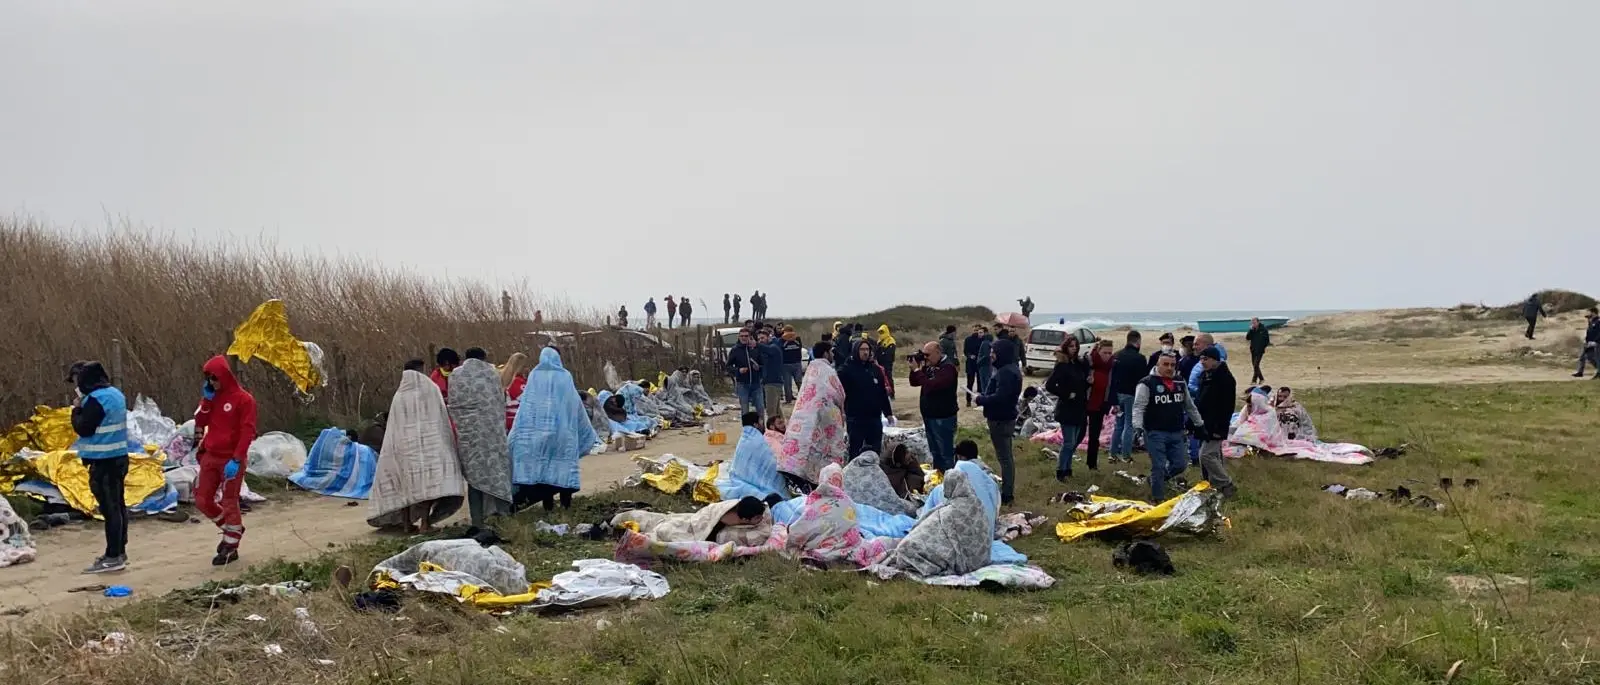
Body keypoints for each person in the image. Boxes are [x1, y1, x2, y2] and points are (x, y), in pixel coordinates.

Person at [508, 347, 599, 511]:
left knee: (544, 472)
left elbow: (527, 406)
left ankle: (548, 507)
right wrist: (584, 427)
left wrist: (518, 432)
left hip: (538, 435)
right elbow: (574, 403)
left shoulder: (534, 376)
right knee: (563, 468)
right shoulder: (565, 376)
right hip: (563, 435)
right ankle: (565, 506)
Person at [70, 361, 137, 574]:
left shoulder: (95, 400)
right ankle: (120, 551)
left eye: (77, 381)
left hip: (103, 461)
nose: (76, 386)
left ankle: (112, 556)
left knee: (110, 510)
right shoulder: (116, 394)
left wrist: (76, 410)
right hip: (118, 457)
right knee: (118, 506)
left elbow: (84, 428)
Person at [194, 356, 258, 565]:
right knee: (202, 499)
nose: (211, 382)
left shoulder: (244, 400)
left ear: (224, 376)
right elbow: (200, 421)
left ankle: (231, 546)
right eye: (208, 379)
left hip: (231, 458)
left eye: (214, 378)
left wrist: (237, 458)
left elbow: (247, 431)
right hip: (211, 455)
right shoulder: (212, 398)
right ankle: (232, 530)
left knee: (229, 501)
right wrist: (206, 401)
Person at [450, 349, 515, 525]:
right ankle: (504, 515)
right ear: (484, 358)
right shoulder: (492, 373)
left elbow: (454, 404)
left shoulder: (455, 375)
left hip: (468, 437)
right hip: (492, 435)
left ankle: (477, 519)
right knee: (498, 473)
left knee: (474, 478)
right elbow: (499, 400)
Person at [1131, 353, 1205, 502]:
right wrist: (1137, 427)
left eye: (1172, 365)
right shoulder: (1146, 383)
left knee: (1180, 464)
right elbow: (1138, 407)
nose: (1170, 368)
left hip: (1177, 431)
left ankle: (1155, 480)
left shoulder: (1180, 381)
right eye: (1166, 364)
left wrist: (1199, 423)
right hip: (1155, 432)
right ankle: (1158, 498)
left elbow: (1189, 406)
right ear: (1158, 365)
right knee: (1158, 465)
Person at [776, 342, 850, 488]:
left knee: (807, 445)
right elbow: (838, 393)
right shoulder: (827, 370)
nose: (833, 355)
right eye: (831, 352)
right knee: (823, 447)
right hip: (823, 417)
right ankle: (821, 480)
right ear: (825, 353)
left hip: (806, 415)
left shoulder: (811, 369)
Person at [975, 338, 1023, 504]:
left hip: (1001, 419)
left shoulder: (1006, 372)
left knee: (1005, 458)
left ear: (1001, 353)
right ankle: (1007, 491)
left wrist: (981, 400)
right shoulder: (1010, 369)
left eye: (993, 352)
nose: (991, 355)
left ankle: (1007, 494)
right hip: (1005, 417)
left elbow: (1001, 397)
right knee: (1005, 456)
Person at [1193, 347, 1238, 498]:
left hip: (1216, 424)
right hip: (1203, 422)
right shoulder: (1205, 376)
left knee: (1206, 455)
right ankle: (1209, 484)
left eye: (1205, 359)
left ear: (1215, 360)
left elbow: (1227, 406)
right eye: (1201, 359)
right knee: (1213, 455)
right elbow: (1200, 400)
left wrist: (1220, 427)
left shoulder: (1225, 378)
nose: (1202, 362)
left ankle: (1226, 483)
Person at [909, 340, 959, 471]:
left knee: (945, 453)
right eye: (923, 354)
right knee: (935, 453)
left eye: (928, 355)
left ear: (938, 352)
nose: (925, 357)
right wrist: (914, 369)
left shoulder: (948, 368)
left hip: (943, 417)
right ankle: (939, 477)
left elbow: (931, 385)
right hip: (929, 415)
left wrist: (917, 370)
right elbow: (914, 382)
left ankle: (950, 478)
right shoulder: (930, 366)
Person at [1044, 338, 1089, 482]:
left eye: (1076, 346)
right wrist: (1066, 394)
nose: (1074, 348)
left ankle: (1068, 469)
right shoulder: (1062, 365)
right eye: (1071, 346)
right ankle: (1061, 471)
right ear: (1066, 348)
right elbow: (1049, 385)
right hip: (1067, 408)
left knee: (1074, 442)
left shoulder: (1078, 364)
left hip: (1079, 407)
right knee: (1069, 442)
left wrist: (1088, 383)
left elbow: (1081, 385)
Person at [839, 340, 894, 457]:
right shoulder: (846, 370)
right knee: (855, 451)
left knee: (875, 451)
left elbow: (882, 393)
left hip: (874, 418)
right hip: (856, 418)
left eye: (867, 349)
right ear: (855, 351)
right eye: (862, 349)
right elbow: (840, 393)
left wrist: (888, 413)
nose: (865, 352)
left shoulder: (875, 370)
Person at [1109, 331, 1145, 462]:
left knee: (1118, 424)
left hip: (1118, 394)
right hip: (1131, 395)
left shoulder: (1116, 355)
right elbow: (1143, 379)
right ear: (1138, 341)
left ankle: (1112, 453)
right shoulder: (1140, 358)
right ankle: (1126, 455)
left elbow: (1112, 378)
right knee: (1129, 425)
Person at [1084, 339, 1116, 470]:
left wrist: (1112, 403)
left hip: (1100, 404)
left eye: (1110, 353)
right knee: (1079, 433)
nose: (1107, 356)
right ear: (1098, 351)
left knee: (1094, 436)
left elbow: (1113, 385)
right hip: (1085, 402)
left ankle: (1092, 464)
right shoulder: (1089, 362)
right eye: (1105, 352)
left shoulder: (1112, 366)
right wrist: (1087, 382)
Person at [726, 328, 765, 419]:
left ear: (750, 337)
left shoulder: (756, 348)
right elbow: (728, 367)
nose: (744, 338)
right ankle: (747, 428)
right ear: (739, 337)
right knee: (745, 410)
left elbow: (764, 364)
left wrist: (759, 367)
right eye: (742, 336)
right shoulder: (735, 350)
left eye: (746, 336)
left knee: (760, 408)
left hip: (756, 384)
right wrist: (738, 370)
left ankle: (761, 427)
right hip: (742, 384)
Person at [757, 328, 787, 423]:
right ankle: (782, 427)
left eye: (762, 338)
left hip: (773, 382)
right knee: (776, 410)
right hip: (769, 382)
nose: (761, 340)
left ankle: (773, 429)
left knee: (771, 410)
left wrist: (756, 344)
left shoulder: (773, 347)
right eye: (759, 339)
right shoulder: (765, 350)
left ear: (768, 337)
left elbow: (768, 350)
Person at [501, 352, 530, 431]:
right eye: (525, 366)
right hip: (517, 421)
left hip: (506, 419)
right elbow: (528, 399)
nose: (527, 369)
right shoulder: (518, 382)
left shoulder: (503, 380)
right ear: (520, 367)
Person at [781, 325, 805, 403]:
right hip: (797, 362)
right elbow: (800, 347)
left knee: (787, 383)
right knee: (799, 382)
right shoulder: (797, 338)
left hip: (786, 364)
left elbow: (781, 348)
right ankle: (803, 398)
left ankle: (788, 400)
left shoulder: (782, 339)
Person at [1575, 307, 1600, 378]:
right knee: (1586, 357)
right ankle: (1580, 372)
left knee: (1597, 358)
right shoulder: (1591, 321)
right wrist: (1586, 340)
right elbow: (1589, 332)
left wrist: (1595, 341)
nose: (1588, 316)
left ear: (1593, 312)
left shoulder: (1598, 321)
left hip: (1596, 342)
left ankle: (1599, 372)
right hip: (1589, 342)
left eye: (1590, 312)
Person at [963, 325, 984, 407]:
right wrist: (970, 355)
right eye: (975, 330)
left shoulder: (982, 339)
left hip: (979, 363)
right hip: (970, 363)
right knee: (970, 383)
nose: (976, 332)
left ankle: (979, 400)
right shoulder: (968, 339)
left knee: (980, 383)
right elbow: (965, 351)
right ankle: (968, 400)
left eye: (977, 330)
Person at [874, 325, 898, 396]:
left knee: (888, 377)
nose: (881, 334)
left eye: (882, 332)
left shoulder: (890, 340)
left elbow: (890, 352)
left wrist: (883, 353)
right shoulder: (879, 341)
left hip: (887, 362)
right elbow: (876, 351)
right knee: (880, 377)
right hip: (879, 362)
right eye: (880, 332)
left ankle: (892, 393)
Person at [1245, 318, 1271, 384]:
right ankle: (1258, 380)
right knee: (1254, 365)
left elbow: (1267, 340)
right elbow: (1248, 338)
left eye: (1254, 322)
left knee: (1256, 365)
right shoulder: (1252, 330)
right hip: (1253, 350)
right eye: (1252, 323)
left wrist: (1262, 347)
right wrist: (1250, 330)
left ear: (1258, 322)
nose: (1253, 324)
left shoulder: (1263, 329)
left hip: (1260, 350)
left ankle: (1256, 380)